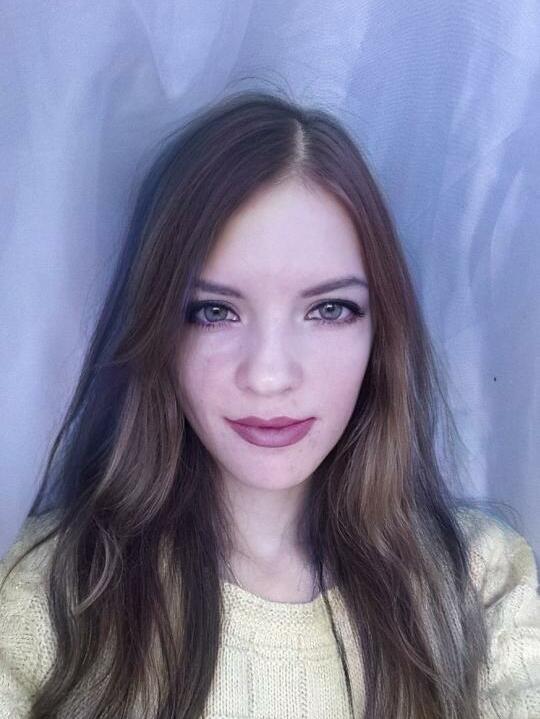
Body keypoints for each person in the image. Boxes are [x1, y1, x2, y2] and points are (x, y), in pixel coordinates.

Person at [0, 90, 538, 719]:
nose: (269, 376)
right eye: (214, 312)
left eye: (329, 309)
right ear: (158, 331)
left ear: (381, 332)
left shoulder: (480, 587)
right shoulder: (44, 598)